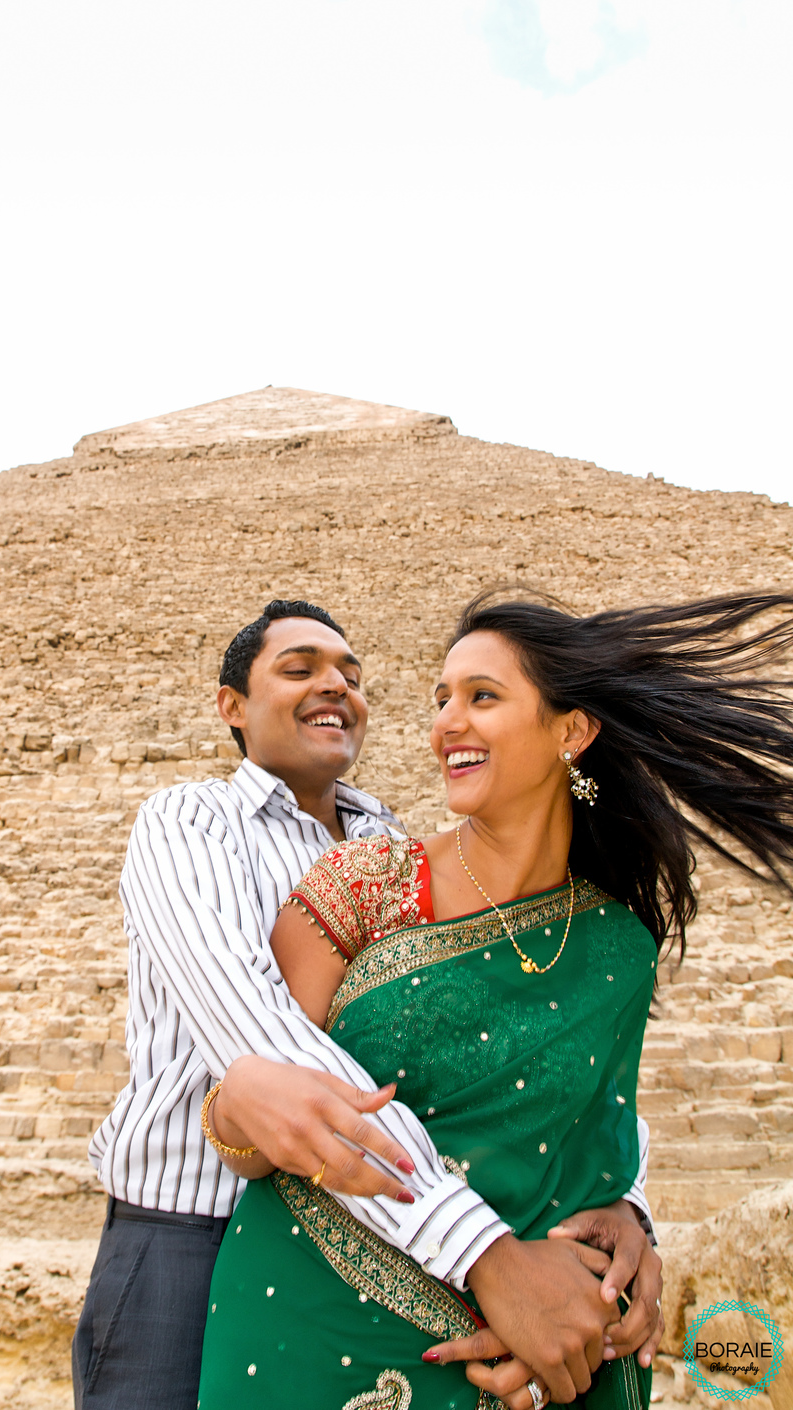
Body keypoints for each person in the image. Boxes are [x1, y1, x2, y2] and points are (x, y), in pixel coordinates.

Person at [198, 590, 793, 1410]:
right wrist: (232, 1109)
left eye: (482, 697)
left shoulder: (618, 947)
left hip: (538, 1354)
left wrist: (630, 1222)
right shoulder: (363, 884)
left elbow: (597, 1147)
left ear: (570, 732)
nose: (446, 723)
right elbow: (261, 1125)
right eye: (441, 700)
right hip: (311, 1318)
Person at [73, 600, 660, 1410]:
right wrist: (491, 1259)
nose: (336, 687)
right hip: (186, 1236)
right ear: (231, 707)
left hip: (418, 1255)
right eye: (299, 669)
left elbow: (562, 1093)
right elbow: (273, 1059)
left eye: (352, 677)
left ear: (571, 732)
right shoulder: (193, 823)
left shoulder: (386, 843)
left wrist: (621, 1208)